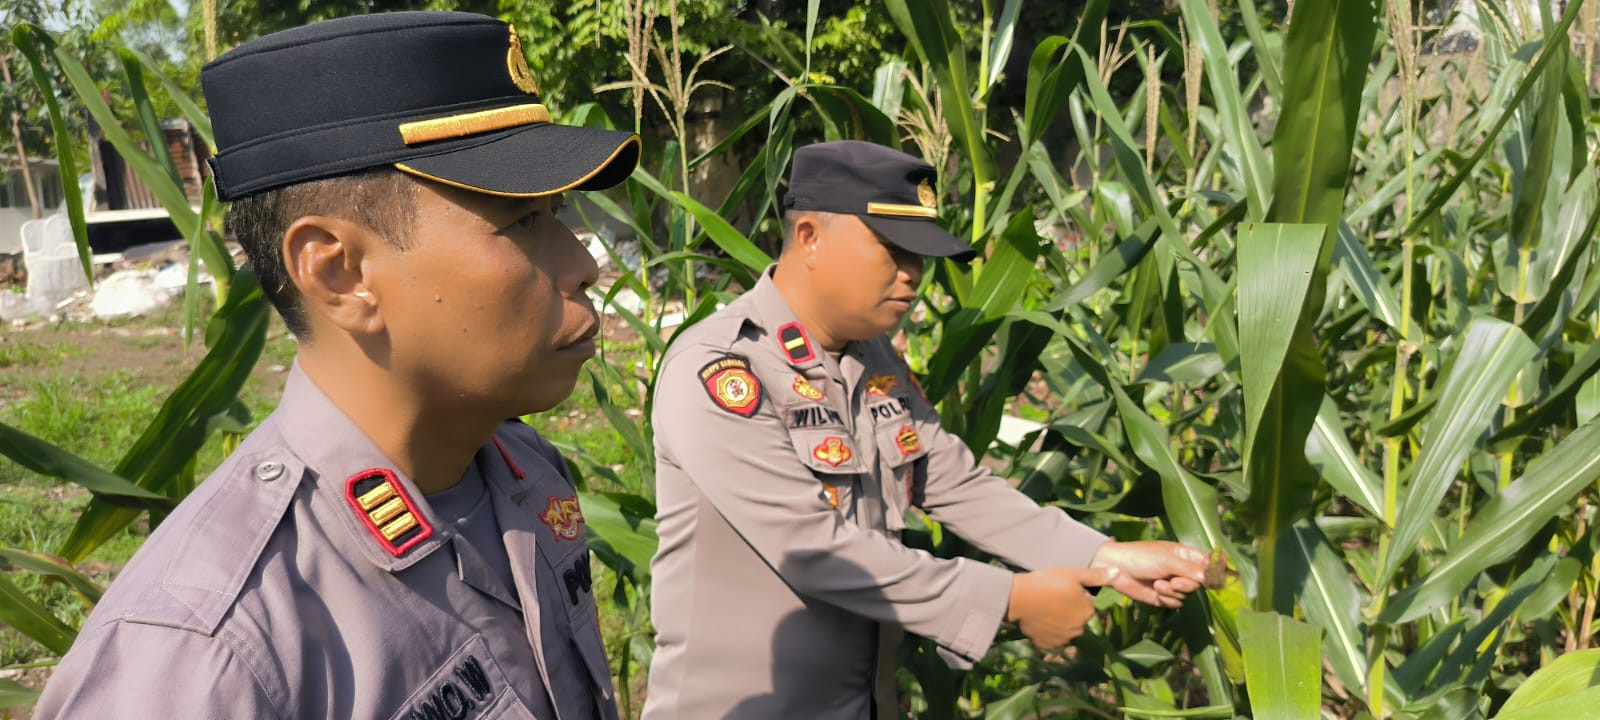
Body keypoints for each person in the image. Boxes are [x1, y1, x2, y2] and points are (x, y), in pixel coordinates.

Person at [34, 12, 639, 718]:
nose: (584, 263)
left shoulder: (522, 472)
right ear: (341, 274)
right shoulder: (208, 654)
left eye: (560, 214)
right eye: (523, 222)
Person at [643, 140, 1212, 719]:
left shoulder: (870, 359)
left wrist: (1107, 557)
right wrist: (1010, 600)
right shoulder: (721, 368)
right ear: (810, 237)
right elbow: (807, 546)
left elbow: (953, 482)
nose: (913, 274)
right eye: (893, 249)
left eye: (920, 255)